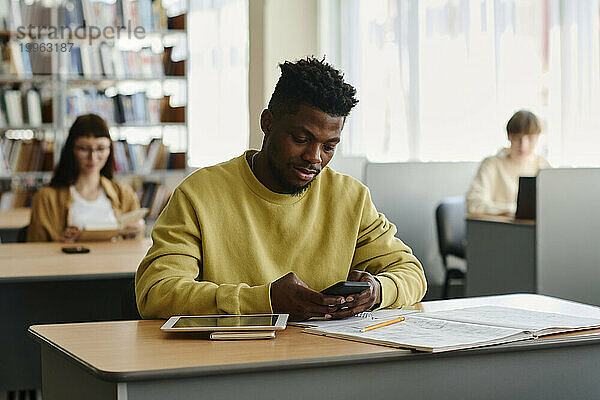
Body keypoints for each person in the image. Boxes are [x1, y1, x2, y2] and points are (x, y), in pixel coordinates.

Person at [136, 57, 427, 321]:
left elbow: (411, 273)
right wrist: (265, 300)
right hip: (228, 363)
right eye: (301, 139)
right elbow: (156, 292)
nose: (314, 158)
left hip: (325, 359)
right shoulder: (199, 194)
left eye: (328, 147)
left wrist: (378, 291)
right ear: (267, 122)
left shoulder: (350, 197)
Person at [27, 113, 143, 242]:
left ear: (110, 150)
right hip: (67, 262)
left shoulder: (125, 194)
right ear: (72, 149)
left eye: (101, 148)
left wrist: (137, 232)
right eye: (84, 149)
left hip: (114, 261)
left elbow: (134, 248)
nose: (93, 157)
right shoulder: (45, 198)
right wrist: (59, 244)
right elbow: (34, 251)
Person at [466, 110, 551, 216]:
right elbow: (474, 204)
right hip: (499, 228)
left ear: (538, 137)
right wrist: (514, 209)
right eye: (517, 138)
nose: (523, 145)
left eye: (530, 138)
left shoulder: (542, 165)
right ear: (509, 136)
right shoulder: (491, 164)